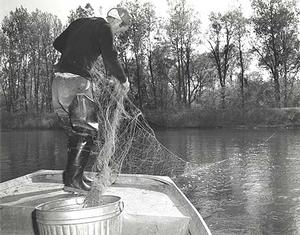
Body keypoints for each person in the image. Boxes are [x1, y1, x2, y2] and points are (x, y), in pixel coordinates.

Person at [52, 8, 131, 193]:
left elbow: (57, 43)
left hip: (58, 82)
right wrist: (124, 80)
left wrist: (76, 53)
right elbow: (111, 57)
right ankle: (73, 181)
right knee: (86, 130)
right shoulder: (105, 27)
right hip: (77, 81)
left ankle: (74, 175)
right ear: (118, 22)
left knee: (75, 133)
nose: (117, 33)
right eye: (120, 30)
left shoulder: (80, 22)